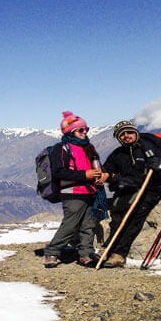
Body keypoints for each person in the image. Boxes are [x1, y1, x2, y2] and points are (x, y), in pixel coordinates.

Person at [100, 120, 161, 268]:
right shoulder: (118, 154)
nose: (126, 136)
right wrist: (113, 179)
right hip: (127, 190)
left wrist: (160, 167)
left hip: (151, 190)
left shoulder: (152, 149)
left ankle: (119, 255)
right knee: (117, 217)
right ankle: (108, 249)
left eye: (129, 132)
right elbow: (107, 172)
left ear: (136, 132)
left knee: (134, 217)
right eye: (121, 134)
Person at [41, 111, 109, 268]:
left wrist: (103, 175)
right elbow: (59, 172)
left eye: (86, 129)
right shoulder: (62, 149)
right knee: (71, 224)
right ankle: (52, 252)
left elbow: (98, 167)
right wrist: (86, 174)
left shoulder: (89, 148)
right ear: (70, 131)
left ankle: (86, 253)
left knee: (89, 224)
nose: (85, 132)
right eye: (81, 130)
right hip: (72, 193)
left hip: (91, 191)